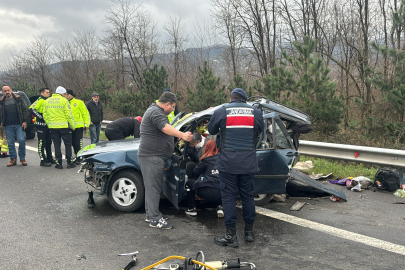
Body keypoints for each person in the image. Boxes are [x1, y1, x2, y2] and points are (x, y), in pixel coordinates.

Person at [208, 88, 264, 247]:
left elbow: (211, 130)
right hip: (248, 163)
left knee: (228, 198)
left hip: (228, 163)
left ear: (231, 99)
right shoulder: (255, 112)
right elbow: (261, 131)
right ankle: (249, 233)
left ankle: (231, 236)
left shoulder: (222, 110)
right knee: (247, 196)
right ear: (245, 100)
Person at [138, 91, 192, 229]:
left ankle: (151, 214)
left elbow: (163, 131)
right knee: (154, 188)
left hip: (152, 156)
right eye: (173, 107)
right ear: (167, 104)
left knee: (151, 188)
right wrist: (182, 135)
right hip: (152, 157)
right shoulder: (156, 112)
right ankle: (155, 219)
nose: (173, 109)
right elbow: (165, 128)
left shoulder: (155, 111)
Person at [185, 140, 223, 217]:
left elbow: (196, 172)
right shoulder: (226, 160)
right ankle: (221, 207)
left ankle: (192, 209)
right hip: (224, 194)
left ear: (207, 147)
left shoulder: (206, 160)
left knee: (189, 183)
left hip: (207, 192)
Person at [43, 86, 76, 169]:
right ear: (61, 93)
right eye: (64, 94)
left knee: (56, 145)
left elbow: (45, 115)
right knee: (68, 144)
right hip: (64, 127)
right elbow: (69, 114)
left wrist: (49, 124)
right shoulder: (64, 101)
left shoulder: (47, 101)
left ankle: (59, 163)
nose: (65, 95)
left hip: (53, 127)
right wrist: (72, 125)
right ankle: (69, 162)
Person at [0, 85, 28, 167]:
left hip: (19, 124)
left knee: (21, 140)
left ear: (11, 90)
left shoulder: (18, 99)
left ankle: (22, 158)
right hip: (7, 126)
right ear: (2, 92)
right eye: (4, 91)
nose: (6, 92)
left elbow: (24, 110)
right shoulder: (1, 102)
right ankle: (13, 159)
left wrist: (24, 121)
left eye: (8, 90)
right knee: (10, 143)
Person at [29, 87, 56, 167]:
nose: (49, 94)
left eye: (49, 92)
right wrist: (41, 117)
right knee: (41, 143)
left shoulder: (48, 100)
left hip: (48, 125)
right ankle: (42, 160)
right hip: (40, 126)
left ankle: (49, 158)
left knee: (48, 142)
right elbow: (31, 109)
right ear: (42, 93)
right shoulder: (40, 100)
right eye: (47, 92)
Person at [66, 89, 90, 164]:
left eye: (68, 94)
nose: (66, 96)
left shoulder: (79, 102)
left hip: (78, 126)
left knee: (78, 143)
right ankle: (76, 155)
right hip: (69, 126)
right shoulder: (64, 103)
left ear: (71, 95)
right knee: (72, 142)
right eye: (65, 94)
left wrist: (87, 124)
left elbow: (85, 113)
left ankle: (79, 157)